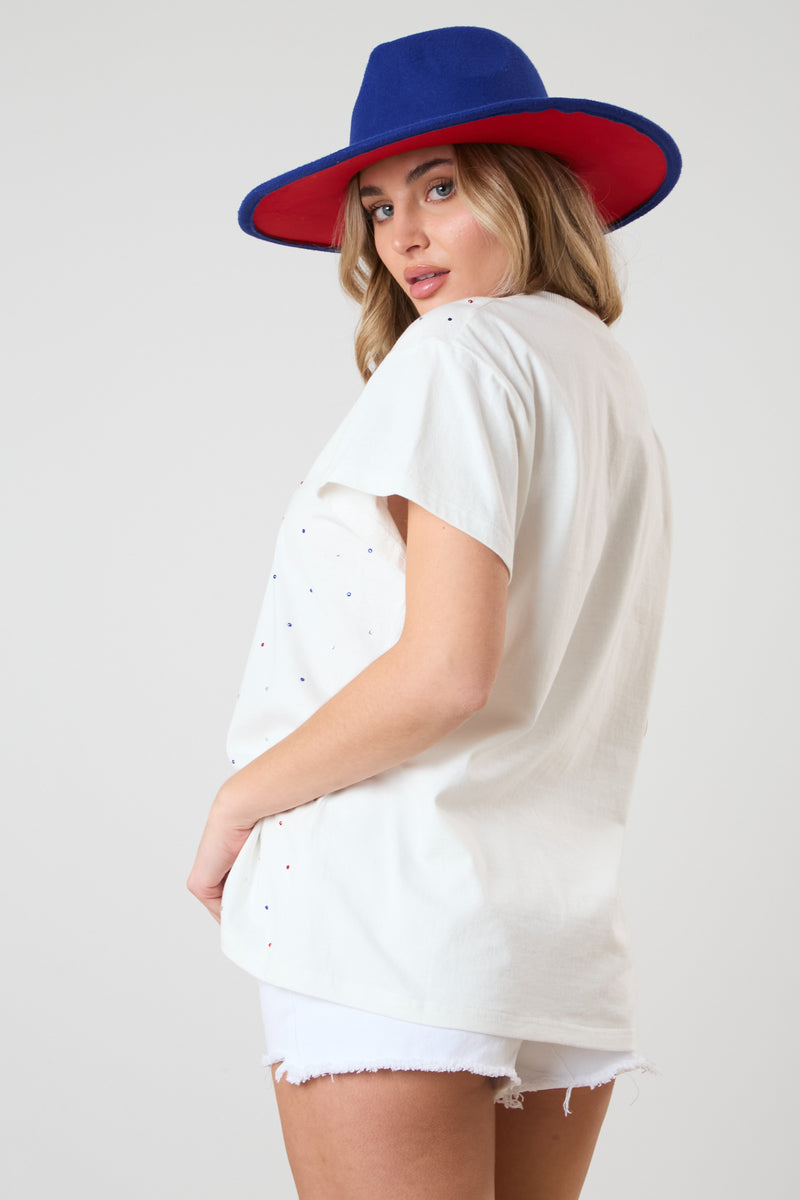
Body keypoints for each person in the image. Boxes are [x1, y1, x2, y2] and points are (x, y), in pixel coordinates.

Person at [188, 25, 681, 1200]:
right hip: (550, 935)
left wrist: (236, 804)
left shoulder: (456, 353)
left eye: (441, 185)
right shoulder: (603, 379)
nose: (398, 235)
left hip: (387, 921)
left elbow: (449, 667)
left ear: (529, 187)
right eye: (372, 204)